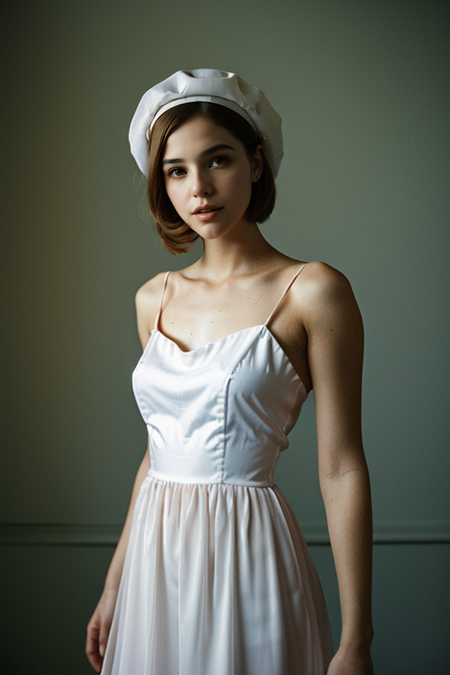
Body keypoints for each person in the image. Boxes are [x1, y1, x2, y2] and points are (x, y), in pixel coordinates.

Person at [86, 69, 374, 675]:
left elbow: (342, 465)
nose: (200, 189)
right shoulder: (152, 299)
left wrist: (357, 640)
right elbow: (156, 453)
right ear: (161, 183)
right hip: (154, 565)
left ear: (257, 161)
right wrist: (115, 585)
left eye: (218, 160)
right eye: (177, 170)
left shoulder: (315, 291)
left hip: (249, 556)